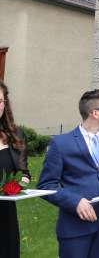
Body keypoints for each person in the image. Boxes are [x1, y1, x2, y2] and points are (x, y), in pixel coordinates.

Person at [38, 89, 99, 258]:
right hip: (75, 227)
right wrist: (75, 202)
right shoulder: (61, 144)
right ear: (94, 113)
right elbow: (45, 186)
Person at [0, 80, 30, 258]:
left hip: (4, 214)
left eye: (0, 100)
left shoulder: (15, 136)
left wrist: (19, 186)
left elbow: (25, 173)